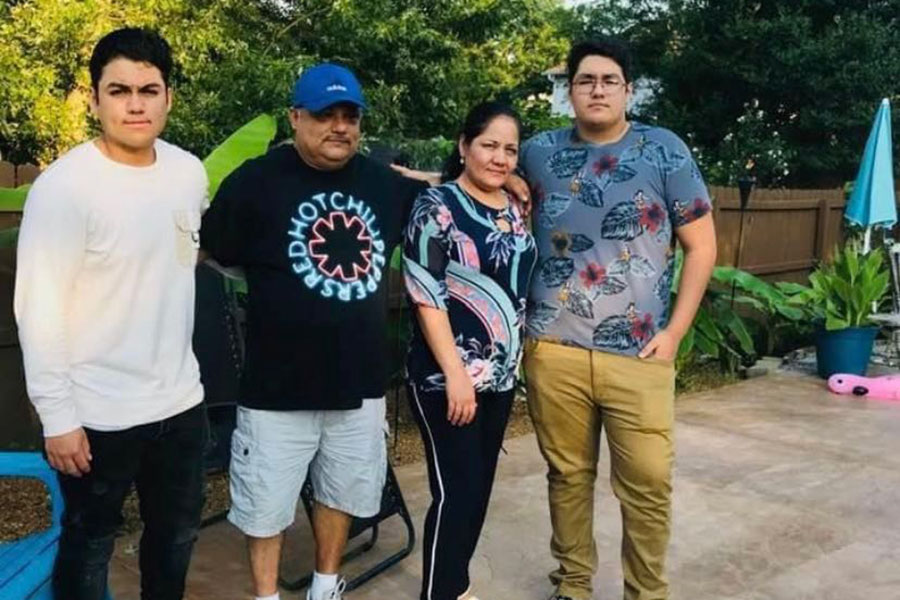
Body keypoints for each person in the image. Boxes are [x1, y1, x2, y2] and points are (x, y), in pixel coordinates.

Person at [199, 63, 427, 600]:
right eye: (326, 115)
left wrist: (502, 176)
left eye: (350, 116)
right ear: (296, 118)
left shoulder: (380, 183)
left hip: (358, 385)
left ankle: (326, 586)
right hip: (277, 389)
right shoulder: (255, 182)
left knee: (341, 492)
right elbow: (211, 249)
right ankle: (266, 595)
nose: (339, 127)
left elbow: (441, 194)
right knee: (265, 506)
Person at [515, 38, 717, 600]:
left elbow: (702, 247)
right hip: (554, 348)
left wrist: (675, 334)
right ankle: (574, 585)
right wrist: (507, 181)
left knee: (649, 483)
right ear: (570, 91)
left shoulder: (664, 150)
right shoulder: (537, 152)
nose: (597, 89)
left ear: (628, 89)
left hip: (642, 352)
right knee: (567, 477)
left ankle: (646, 593)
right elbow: (479, 176)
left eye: (609, 80)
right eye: (586, 80)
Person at [14, 27, 209, 600]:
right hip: (97, 411)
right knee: (90, 543)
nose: (135, 104)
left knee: (174, 538)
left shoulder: (187, 172)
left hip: (180, 401)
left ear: (168, 96)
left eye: (149, 89)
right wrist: (58, 417)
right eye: (119, 90)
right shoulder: (65, 189)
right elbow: (39, 305)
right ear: (96, 98)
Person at [403, 101, 537, 600]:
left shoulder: (518, 206)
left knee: (477, 492)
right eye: (489, 145)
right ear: (464, 146)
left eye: (509, 149)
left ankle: (455, 588)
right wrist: (456, 374)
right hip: (446, 381)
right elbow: (426, 293)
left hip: (501, 378)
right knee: (455, 492)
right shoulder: (435, 207)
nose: (499, 158)